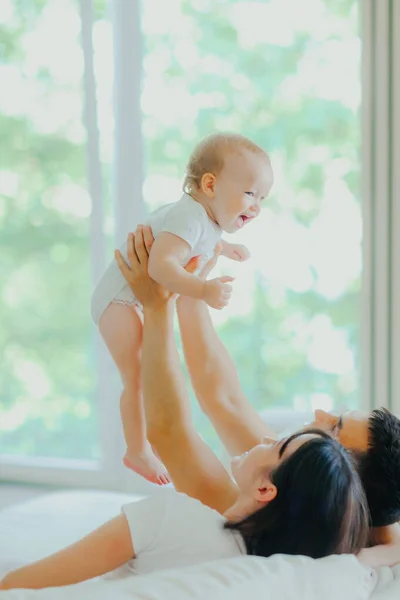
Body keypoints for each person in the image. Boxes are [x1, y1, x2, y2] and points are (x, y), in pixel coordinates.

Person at [0, 231, 368, 592]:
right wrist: (191, 293)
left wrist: (158, 306)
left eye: (334, 430)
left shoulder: (177, 520)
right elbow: (221, 398)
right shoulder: (333, 555)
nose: (320, 415)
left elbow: (171, 430)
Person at [90, 133, 274, 485]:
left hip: (129, 300)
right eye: (250, 193)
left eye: (263, 198)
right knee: (138, 376)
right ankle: (137, 449)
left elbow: (203, 240)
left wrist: (223, 248)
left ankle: (148, 442)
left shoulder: (204, 220)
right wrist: (203, 289)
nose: (256, 206)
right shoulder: (188, 215)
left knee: (149, 369)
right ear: (210, 184)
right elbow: (161, 268)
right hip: (116, 300)